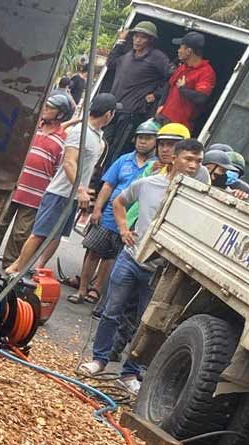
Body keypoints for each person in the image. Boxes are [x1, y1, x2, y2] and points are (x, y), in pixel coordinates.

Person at [79, 138, 207, 394]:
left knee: (147, 323)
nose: (193, 166)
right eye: (188, 159)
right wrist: (124, 229)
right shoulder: (150, 184)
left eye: (198, 161)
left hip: (163, 271)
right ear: (174, 159)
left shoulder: (199, 196)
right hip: (132, 257)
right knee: (111, 311)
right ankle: (99, 359)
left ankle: (129, 373)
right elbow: (119, 202)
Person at [6, 93, 117, 274]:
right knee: (39, 234)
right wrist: (80, 190)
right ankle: (17, 270)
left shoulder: (97, 137)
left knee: (55, 235)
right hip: (60, 193)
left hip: (71, 196)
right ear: (109, 114)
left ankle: (30, 268)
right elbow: (69, 162)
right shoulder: (80, 133)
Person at [69, 119, 158, 305]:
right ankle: (82, 290)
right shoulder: (124, 160)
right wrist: (97, 209)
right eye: (140, 137)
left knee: (111, 257)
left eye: (148, 138)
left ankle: (97, 290)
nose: (143, 141)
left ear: (155, 142)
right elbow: (108, 185)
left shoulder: (156, 168)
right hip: (109, 214)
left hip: (132, 220)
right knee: (93, 251)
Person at [0, 92, 73, 267]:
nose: (45, 110)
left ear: (60, 114)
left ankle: (10, 265)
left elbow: (58, 169)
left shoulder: (63, 140)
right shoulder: (33, 128)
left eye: (50, 108)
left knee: (21, 233)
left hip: (36, 195)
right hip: (15, 186)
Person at [101, 21, 170, 171]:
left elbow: (171, 78)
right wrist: (120, 41)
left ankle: (104, 183)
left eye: (142, 37)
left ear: (150, 40)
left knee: (117, 150)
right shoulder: (127, 55)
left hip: (132, 112)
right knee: (103, 145)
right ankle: (95, 179)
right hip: (114, 110)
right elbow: (111, 63)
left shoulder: (157, 57)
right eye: (135, 36)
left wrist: (155, 95)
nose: (137, 40)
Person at [156, 32, 216, 132]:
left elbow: (201, 98)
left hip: (180, 126)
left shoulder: (207, 72)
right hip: (162, 118)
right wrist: (161, 106)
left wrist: (183, 89)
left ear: (188, 51)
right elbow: (169, 85)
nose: (178, 51)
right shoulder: (183, 67)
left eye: (180, 47)